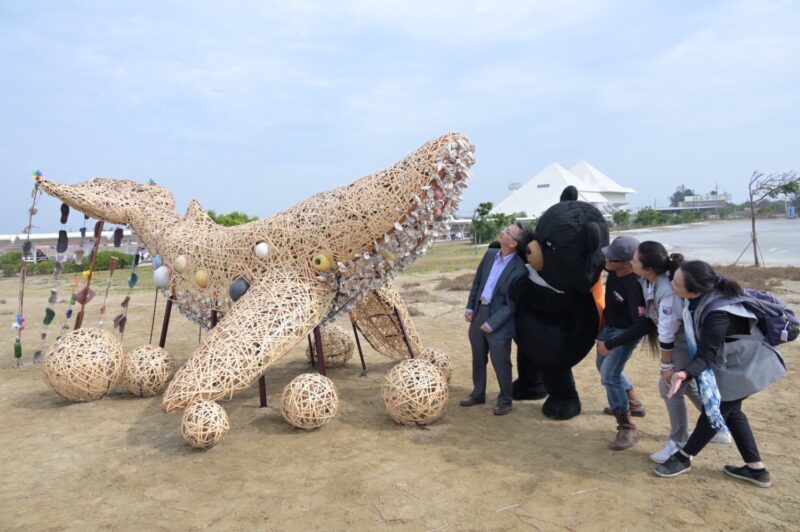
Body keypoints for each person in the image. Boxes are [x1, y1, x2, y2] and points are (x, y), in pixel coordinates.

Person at [654, 261, 786, 487]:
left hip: (749, 366)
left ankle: (683, 458)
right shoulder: (701, 298)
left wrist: (683, 374)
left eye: (676, 283)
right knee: (733, 413)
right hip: (736, 364)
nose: (672, 285)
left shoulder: (717, 314)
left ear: (694, 292)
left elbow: (706, 356)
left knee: (713, 413)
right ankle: (756, 469)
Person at [632, 242, 731, 464]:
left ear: (648, 267)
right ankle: (718, 425)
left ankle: (678, 442)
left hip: (683, 342)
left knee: (669, 387)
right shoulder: (650, 281)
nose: (631, 262)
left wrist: (666, 366)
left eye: (635, 260)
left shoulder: (667, 292)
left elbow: (667, 332)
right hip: (680, 340)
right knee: (688, 386)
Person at [462, 222, 532, 415]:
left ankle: (505, 400)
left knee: (500, 362)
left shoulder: (520, 270)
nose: (503, 232)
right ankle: (478, 393)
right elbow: (477, 283)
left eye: (508, 231)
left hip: (500, 321)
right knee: (478, 357)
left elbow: (512, 304)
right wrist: (470, 307)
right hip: (479, 313)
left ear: (514, 243)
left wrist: (492, 323)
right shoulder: (490, 255)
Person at [595, 236, 651, 450]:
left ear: (629, 264)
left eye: (613, 259)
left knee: (609, 376)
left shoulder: (635, 286)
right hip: (609, 328)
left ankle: (627, 427)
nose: (607, 261)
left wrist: (610, 344)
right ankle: (633, 403)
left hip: (625, 333)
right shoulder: (613, 271)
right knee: (602, 366)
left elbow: (642, 325)